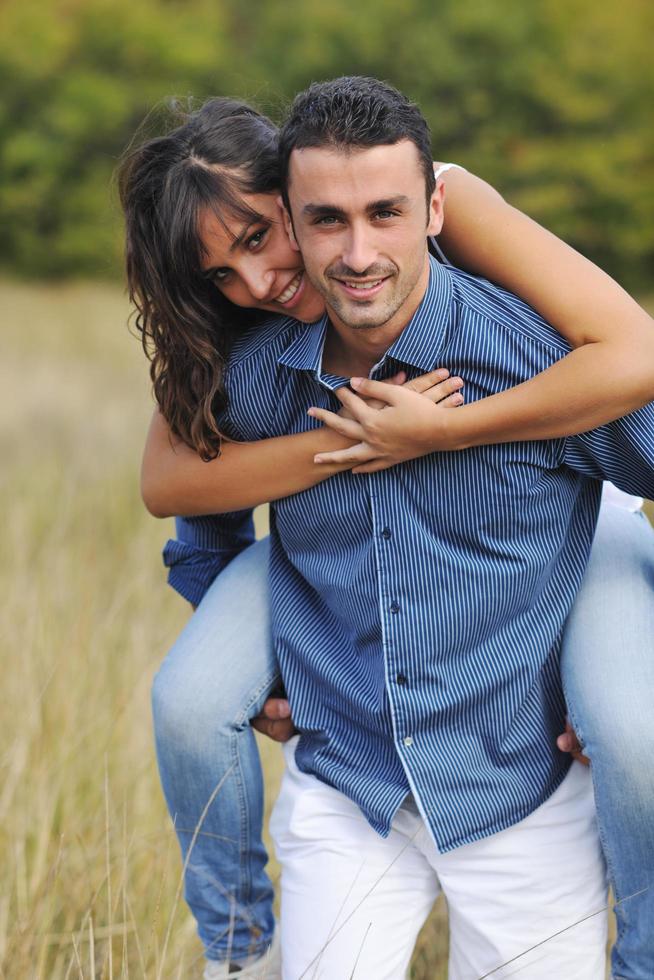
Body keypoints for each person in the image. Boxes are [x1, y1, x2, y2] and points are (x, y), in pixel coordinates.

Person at [118, 91, 654, 978]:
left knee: (630, 728)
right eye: (326, 220)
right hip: (354, 775)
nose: (257, 282)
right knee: (190, 699)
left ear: (427, 210)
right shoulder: (255, 368)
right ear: (300, 208)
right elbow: (181, 489)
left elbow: (632, 359)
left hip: (577, 527)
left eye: (258, 242)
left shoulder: (500, 299)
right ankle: (236, 954)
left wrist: (440, 431)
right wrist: (271, 657)